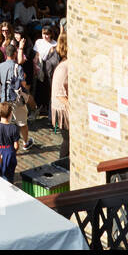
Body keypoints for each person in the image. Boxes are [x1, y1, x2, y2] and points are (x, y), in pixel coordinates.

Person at [0, 39, 36, 151]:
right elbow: (23, 83)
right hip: (17, 99)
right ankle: (26, 143)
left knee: (5, 121)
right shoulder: (18, 68)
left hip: (4, 98)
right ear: (14, 54)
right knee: (22, 122)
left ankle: (3, 143)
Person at [50, 31, 70, 160]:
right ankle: (61, 164)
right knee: (68, 141)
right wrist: (71, 106)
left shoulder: (67, 64)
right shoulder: (63, 68)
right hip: (63, 110)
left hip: (65, 107)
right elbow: (59, 94)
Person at [0, 102, 21, 182]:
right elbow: (16, 146)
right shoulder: (14, 128)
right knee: (8, 176)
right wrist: (14, 152)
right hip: (9, 154)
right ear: (11, 113)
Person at [33, 24, 57, 111]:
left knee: (48, 86)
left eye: (47, 34)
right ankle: (39, 105)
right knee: (39, 85)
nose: (45, 36)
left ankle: (47, 105)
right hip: (40, 65)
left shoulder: (54, 44)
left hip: (49, 66)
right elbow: (37, 54)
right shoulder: (39, 41)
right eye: (43, 34)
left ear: (51, 34)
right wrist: (35, 63)